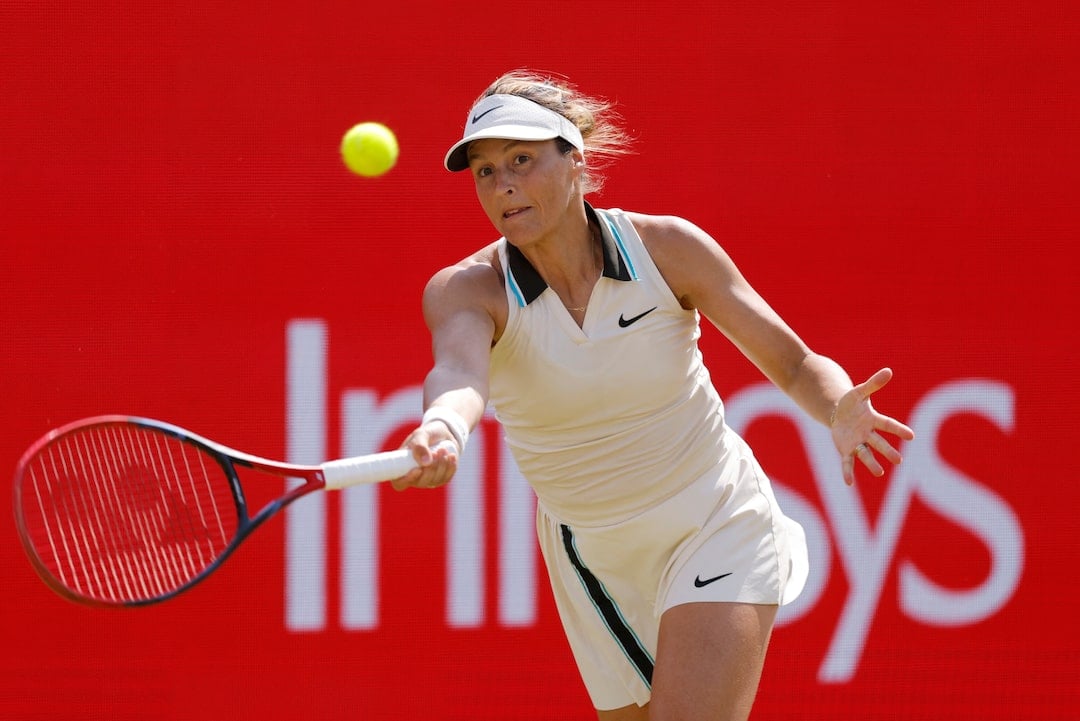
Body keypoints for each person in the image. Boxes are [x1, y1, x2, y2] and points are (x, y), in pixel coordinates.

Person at [391, 70, 915, 721]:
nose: (503, 185)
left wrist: (837, 406)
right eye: (485, 171)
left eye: (521, 160)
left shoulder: (668, 249)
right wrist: (444, 424)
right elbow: (459, 374)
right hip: (591, 554)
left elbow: (794, 362)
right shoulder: (467, 289)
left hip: (715, 516)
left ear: (575, 159)